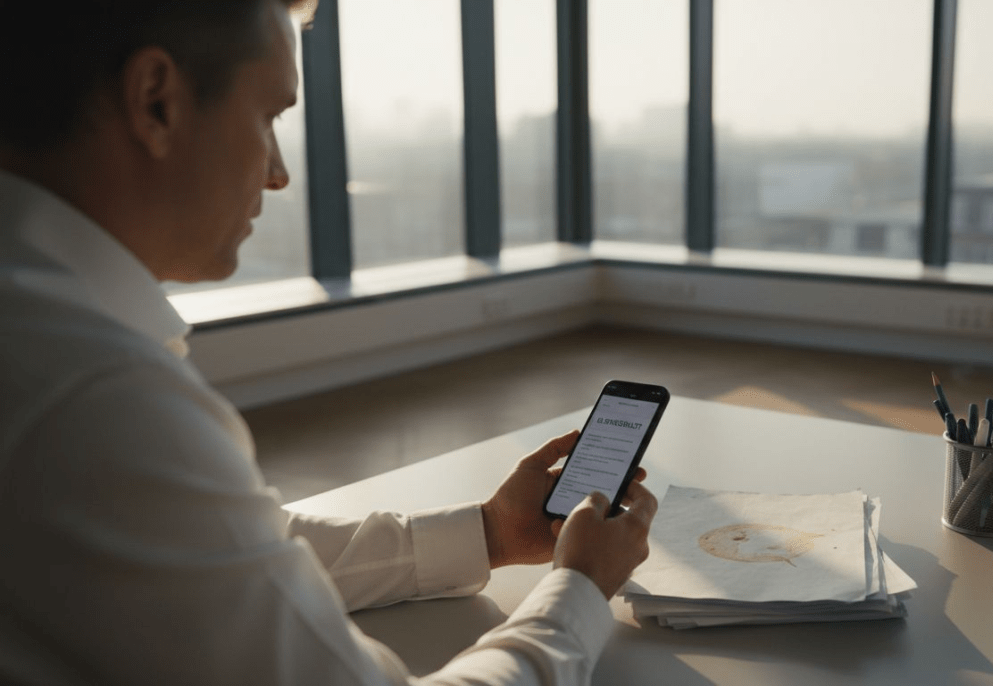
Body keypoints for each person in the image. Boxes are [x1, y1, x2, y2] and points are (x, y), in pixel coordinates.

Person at [0, 1, 658, 683]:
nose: (278, 172)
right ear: (156, 101)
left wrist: (489, 531)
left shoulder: (41, 333)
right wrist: (578, 590)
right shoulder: (93, 397)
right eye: (269, 117)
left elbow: (226, 546)